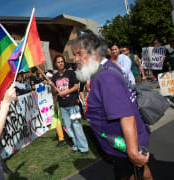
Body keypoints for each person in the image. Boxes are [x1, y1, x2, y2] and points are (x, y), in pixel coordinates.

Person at [73, 32, 152, 180]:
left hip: (124, 144)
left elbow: (126, 116)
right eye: (74, 54)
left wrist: (133, 152)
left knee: (130, 175)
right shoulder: (103, 69)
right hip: (122, 142)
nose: (75, 59)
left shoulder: (105, 76)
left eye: (79, 54)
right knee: (141, 170)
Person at [50, 55, 89, 155]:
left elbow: (76, 87)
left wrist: (65, 92)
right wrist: (52, 87)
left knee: (76, 126)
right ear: (55, 64)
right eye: (58, 62)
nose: (61, 63)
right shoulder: (54, 78)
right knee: (68, 128)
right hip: (62, 106)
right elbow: (54, 93)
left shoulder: (70, 73)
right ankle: (76, 145)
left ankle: (84, 148)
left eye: (62, 61)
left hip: (72, 104)